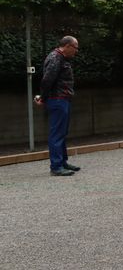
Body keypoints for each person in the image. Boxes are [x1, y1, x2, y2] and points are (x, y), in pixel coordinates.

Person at [36, 36, 81, 176]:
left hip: (63, 99)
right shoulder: (56, 58)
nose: (76, 51)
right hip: (57, 100)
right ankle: (56, 166)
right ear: (67, 46)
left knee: (62, 132)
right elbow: (47, 80)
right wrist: (43, 98)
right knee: (57, 133)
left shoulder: (61, 58)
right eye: (75, 47)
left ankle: (62, 162)